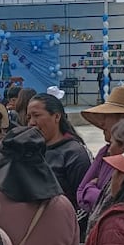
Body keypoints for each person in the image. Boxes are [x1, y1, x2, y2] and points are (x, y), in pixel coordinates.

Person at [78, 86, 124, 219]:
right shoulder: (105, 152)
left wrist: (91, 190)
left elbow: (120, 205)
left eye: (107, 117)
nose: (102, 123)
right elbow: (80, 192)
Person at [27, 93, 92, 225]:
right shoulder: (31, 150)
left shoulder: (74, 154)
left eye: (37, 115)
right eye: (28, 117)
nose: (31, 122)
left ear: (56, 116)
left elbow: (84, 204)